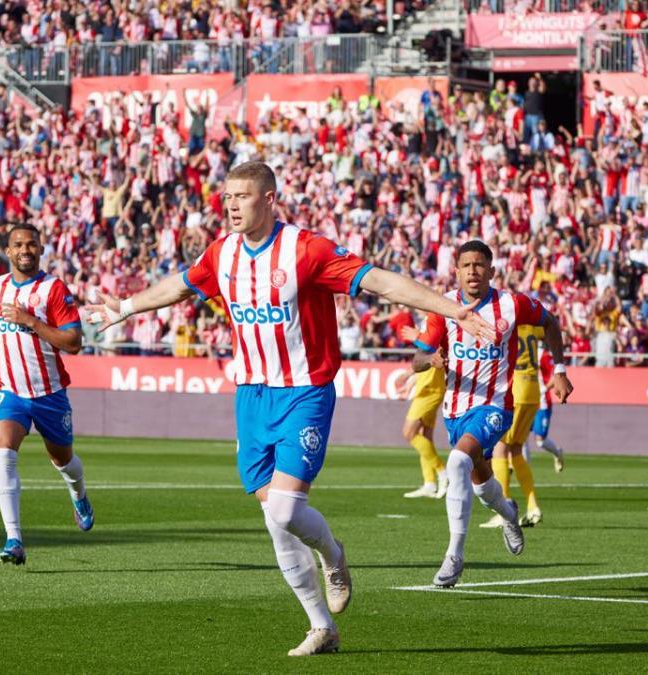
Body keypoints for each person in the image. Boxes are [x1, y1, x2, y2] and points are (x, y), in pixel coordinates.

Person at [84, 162, 493, 657]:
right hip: (252, 396)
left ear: (271, 198)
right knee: (273, 520)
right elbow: (179, 285)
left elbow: (380, 281)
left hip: (304, 391)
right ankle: (322, 628)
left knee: (285, 508)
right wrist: (125, 307)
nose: (231, 205)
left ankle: (334, 554)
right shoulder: (223, 253)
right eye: (227, 197)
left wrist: (454, 310)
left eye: (243, 196)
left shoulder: (306, 249)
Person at [412, 240, 573, 588]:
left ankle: (454, 556)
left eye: (480, 264)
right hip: (455, 411)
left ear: (492, 270)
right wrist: (432, 360)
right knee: (482, 484)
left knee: (456, 462)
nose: (473, 270)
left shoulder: (511, 305)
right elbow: (417, 360)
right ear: (456, 271)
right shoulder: (443, 309)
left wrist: (558, 369)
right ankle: (509, 513)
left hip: (496, 406)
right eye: (466, 265)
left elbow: (551, 321)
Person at [0, 223, 91, 566]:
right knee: (3, 452)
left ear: (40, 249)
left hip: (49, 392)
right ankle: (14, 539)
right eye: (18, 244)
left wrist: (30, 321)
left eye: (31, 244)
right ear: (8, 251)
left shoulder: (54, 290)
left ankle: (78, 494)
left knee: (64, 461)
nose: (25, 250)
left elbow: (74, 343)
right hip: (10, 388)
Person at [482, 320, 547, 529]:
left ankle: (503, 510)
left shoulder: (507, 326)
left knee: (500, 450)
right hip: (533, 390)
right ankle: (533, 506)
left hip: (516, 390)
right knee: (517, 449)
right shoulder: (533, 328)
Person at [399, 323, 448, 499]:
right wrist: (409, 384)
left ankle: (443, 473)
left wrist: (419, 336)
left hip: (431, 390)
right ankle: (429, 483)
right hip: (425, 387)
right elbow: (423, 364)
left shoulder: (438, 322)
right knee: (424, 435)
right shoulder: (428, 322)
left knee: (409, 433)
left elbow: (435, 355)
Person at [526, 342, 566, 472]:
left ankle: (557, 453)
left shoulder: (543, 355)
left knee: (540, 442)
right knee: (520, 437)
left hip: (541, 403)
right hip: (526, 401)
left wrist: (543, 389)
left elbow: (555, 376)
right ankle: (525, 469)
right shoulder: (523, 353)